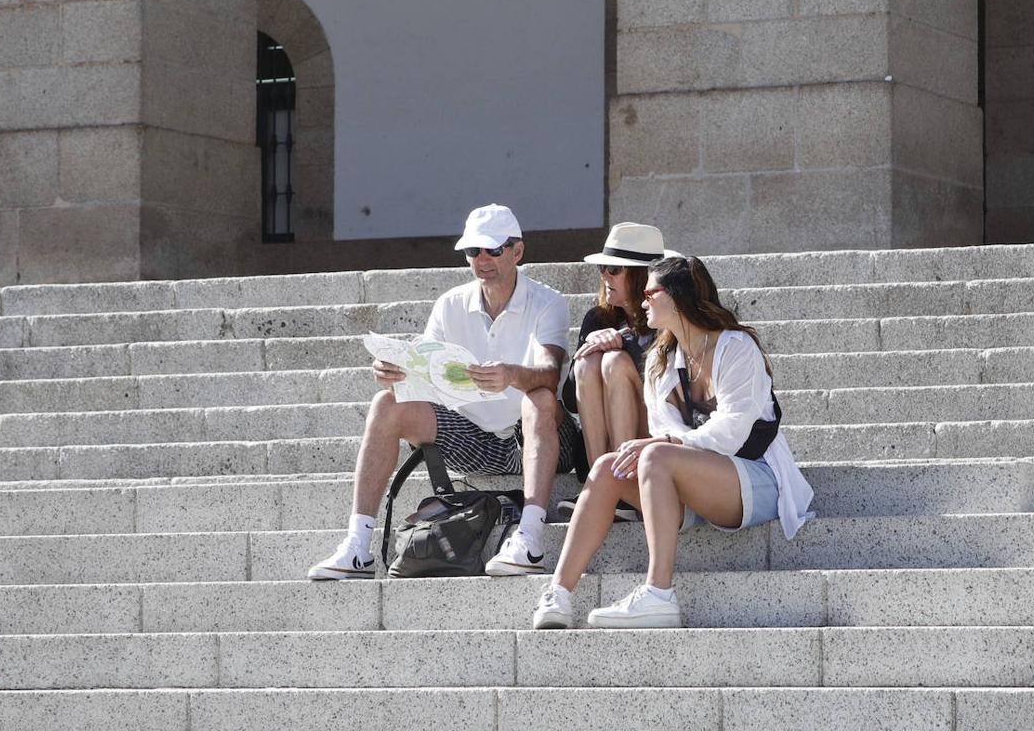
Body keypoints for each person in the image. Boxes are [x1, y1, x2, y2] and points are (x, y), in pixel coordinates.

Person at [532, 255, 814, 628]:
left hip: (756, 478)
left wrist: (662, 443)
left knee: (656, 455)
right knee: (605, 468)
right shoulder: (661, 360)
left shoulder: (736, 347)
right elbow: (665, 430)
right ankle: (560, 595)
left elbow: (733, 431)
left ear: (678, 297)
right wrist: (663, 443)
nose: (642, 301)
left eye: (650, 292)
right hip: (692, 484)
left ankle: (659, 593)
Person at [308, 203, 579, 580]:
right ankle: (358, 547)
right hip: (472, 438)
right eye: (473, 251)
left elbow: (550, 374)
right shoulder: (450, 304)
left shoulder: (547, 301)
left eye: (493, 250)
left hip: (537, 435)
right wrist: (396, 371)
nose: (482, 259)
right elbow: (425, 368)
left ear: (518, 251)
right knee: (386, 403)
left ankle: (530, 538)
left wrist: (511, 375)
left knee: (539, 399)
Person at [557, 223, 674, 521]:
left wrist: (625, 341)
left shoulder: (668, 314)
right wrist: (592, 345)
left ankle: (624, 485)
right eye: (603, 268)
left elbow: (665, 383)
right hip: (603, 442)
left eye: (613, 269)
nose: (604, 276)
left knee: (615, 362)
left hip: (653, 437)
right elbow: (571, 400)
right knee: (589, 362)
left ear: (639, 276)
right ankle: (600, 486)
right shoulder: (598, 317)